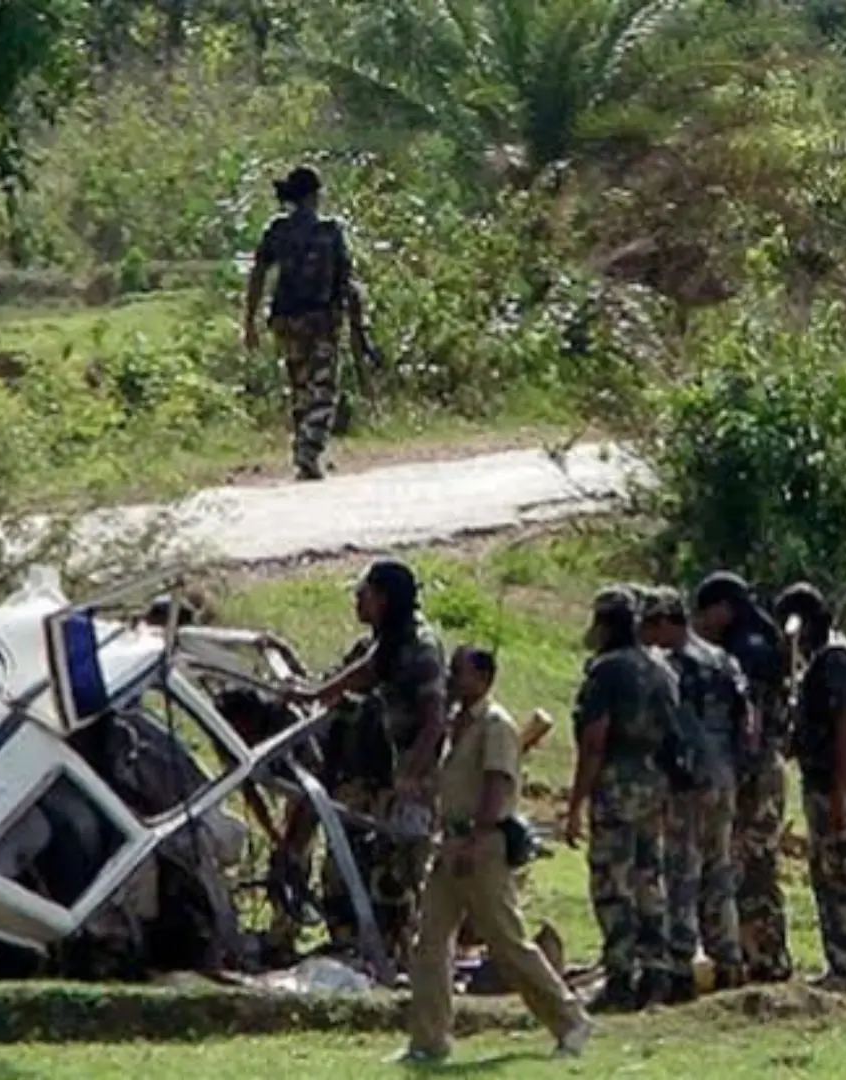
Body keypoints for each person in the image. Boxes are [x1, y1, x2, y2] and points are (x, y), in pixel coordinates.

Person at [399, 646, 594, 1063]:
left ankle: (570, 1019)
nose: (452, 680)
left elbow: (497, 784)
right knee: (429, 943)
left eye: (460, 673)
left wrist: (475, 837)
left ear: (484, 679)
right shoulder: (459, 726)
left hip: (480, 846)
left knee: (506, 943)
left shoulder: (495, 725)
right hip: (448, 845)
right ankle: (428, 1041)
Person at [283, 558, 446, 974]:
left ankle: (392, 960)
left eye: (364, 595)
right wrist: (312, 693)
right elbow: (358, 675)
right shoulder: (383, 643)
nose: (357, 602)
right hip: (363, 784)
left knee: (393, 879)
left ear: (385, 599)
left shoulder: (420, 647)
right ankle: (348, 950)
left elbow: (434, 719)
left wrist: (412, 775)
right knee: (342, 869)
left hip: (400, 785)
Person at [563, 586, 681, 1011]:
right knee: (649, 878)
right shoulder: (661, 668)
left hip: (616, 783)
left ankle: (619, 977)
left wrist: (575, 804)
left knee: (612, 882)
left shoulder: (607, 671)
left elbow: (594, 741)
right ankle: (656, 972)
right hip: (655, 784)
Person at [639, 587, 749, 1000]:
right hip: (724, 775)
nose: (648, 636)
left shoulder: (672, 667)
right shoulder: (723, 660)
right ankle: (728, 956)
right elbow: (745, 719)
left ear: (669, 622)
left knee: (682, 870)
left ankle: (681, 963)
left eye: (652, 625)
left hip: (688, 780)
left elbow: (668, 726)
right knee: (719, 868)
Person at [692, 570, 794, 984]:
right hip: (766, 767)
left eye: (706, 612)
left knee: (749, 865)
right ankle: (763, 954)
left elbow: (749, 721)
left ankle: (765, 956)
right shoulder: (761, 642)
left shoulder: (744, 652)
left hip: (755, 772)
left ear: (724, 609)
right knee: (756, 865)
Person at [772, 582, 846, 994]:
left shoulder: (832, 662)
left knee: (838, 871)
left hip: (834, 778)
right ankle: (841, 961)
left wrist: (838, 790)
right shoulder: (828, 659)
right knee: (827, 870)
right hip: (826, 776)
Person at [241, 165, 370, 481]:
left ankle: (304, 450)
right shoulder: (330, 232)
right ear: (314, 196)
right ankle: (308, 451)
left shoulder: (277, 230)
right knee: (323, 389)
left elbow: (258, 275)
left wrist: (250, 321)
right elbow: (347, 283)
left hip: (287, 320)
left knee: (299, 386)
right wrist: (358, 330)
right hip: (321, 320)